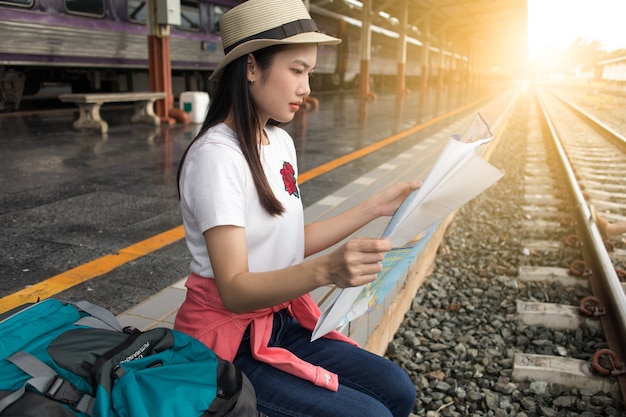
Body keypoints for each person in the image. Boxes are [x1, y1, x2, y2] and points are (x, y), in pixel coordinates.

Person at [174, 1, 419, 416]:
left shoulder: (279, 141)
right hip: (231, 343)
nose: (306, 88)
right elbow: (233, 289)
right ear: (251, 67)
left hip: (280, 320)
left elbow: (286, 244)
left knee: (398, 390)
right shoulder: (216, 157)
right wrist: (325, 270)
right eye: (297, 70)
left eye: (309, 73)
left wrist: (375, 206)